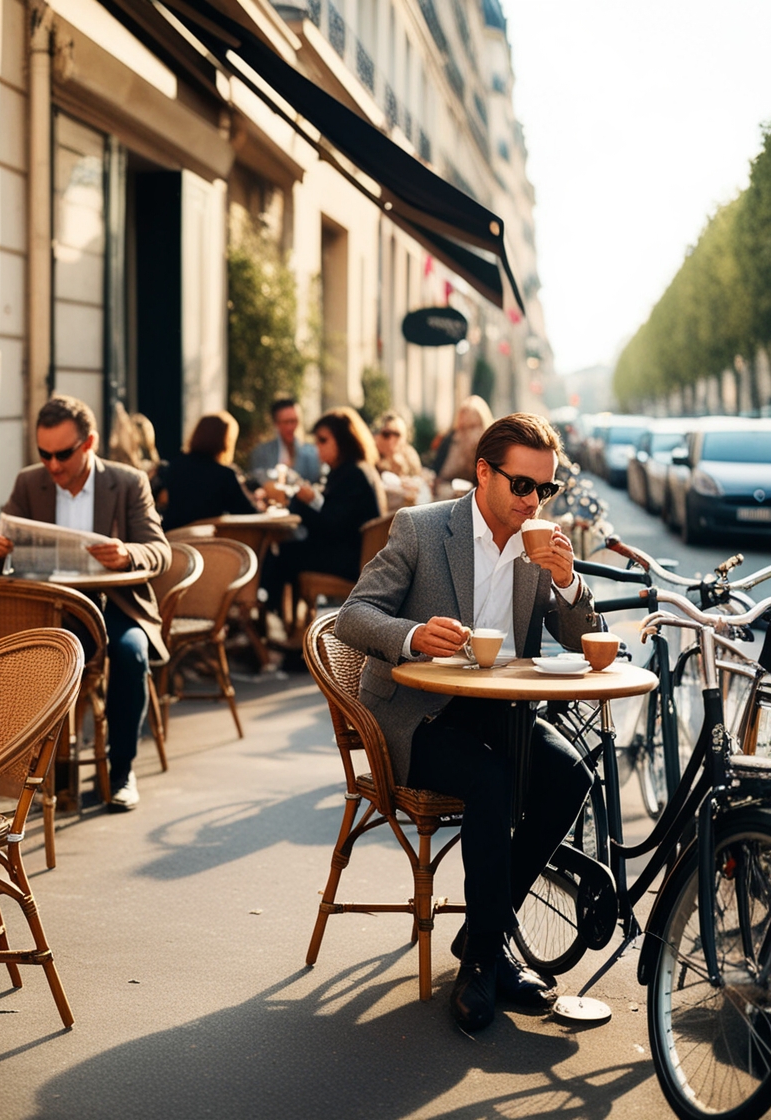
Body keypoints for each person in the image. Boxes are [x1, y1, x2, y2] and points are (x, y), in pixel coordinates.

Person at [334, 413, 596, 1030]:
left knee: (569, 778)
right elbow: (352, 616)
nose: (534, 500)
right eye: (522, 486)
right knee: (490, 780)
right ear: (483, 472)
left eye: (546, 489)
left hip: (499, 713)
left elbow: (587, 641)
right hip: (415, 717)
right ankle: (484, 962)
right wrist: (413, 634)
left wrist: (568, 581)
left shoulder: (541, 545)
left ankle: (485, 930)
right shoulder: (423, 529)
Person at [0, 394, 170, 810]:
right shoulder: (31, 482)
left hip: (114, 604)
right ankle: (31, 777)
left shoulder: (128, 481)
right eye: (44, 453)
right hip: (52, 608)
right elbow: (3, 548)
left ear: (90, 443)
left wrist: (127, 554)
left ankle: (120, 772)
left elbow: (160, 551)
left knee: (131, 655)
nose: (53, 465)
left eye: (63, 453)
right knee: (16, 659)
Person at [261, 407, 386, 616]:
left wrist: (299, 503)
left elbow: (331, 524)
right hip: (351, 554)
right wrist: (311, 500)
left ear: (343, 440)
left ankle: (268, 615)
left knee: (281, 553)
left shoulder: (352, 474)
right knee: (286, 551)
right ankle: (281, 621)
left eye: (323, 440)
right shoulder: (353, 470)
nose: (317, 447)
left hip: (349, 561)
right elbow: (338, 516)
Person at [161, 412, 258, 531]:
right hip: (207, 543)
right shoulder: (224, 474)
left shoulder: (175, 466)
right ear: (225, 440)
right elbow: (247, 513)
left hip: (172, 538)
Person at [431, 394, 494, 500]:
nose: (467, 433)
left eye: (472, 426)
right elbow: (438, 473)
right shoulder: (450, 440)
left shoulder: (491, 446)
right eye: (462, 427)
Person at [248, 397, 322, 485]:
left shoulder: (313, 453)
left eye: (294, 421)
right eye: (286, 422)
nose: (290, 427)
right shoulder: (261, 453)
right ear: (276, 424)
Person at [373, 411, 429, 511]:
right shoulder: (373, 454)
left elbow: (418, 480)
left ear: (405, 436)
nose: (391, 439)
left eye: (397, 434)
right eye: (386, 434)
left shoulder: (410, 455)